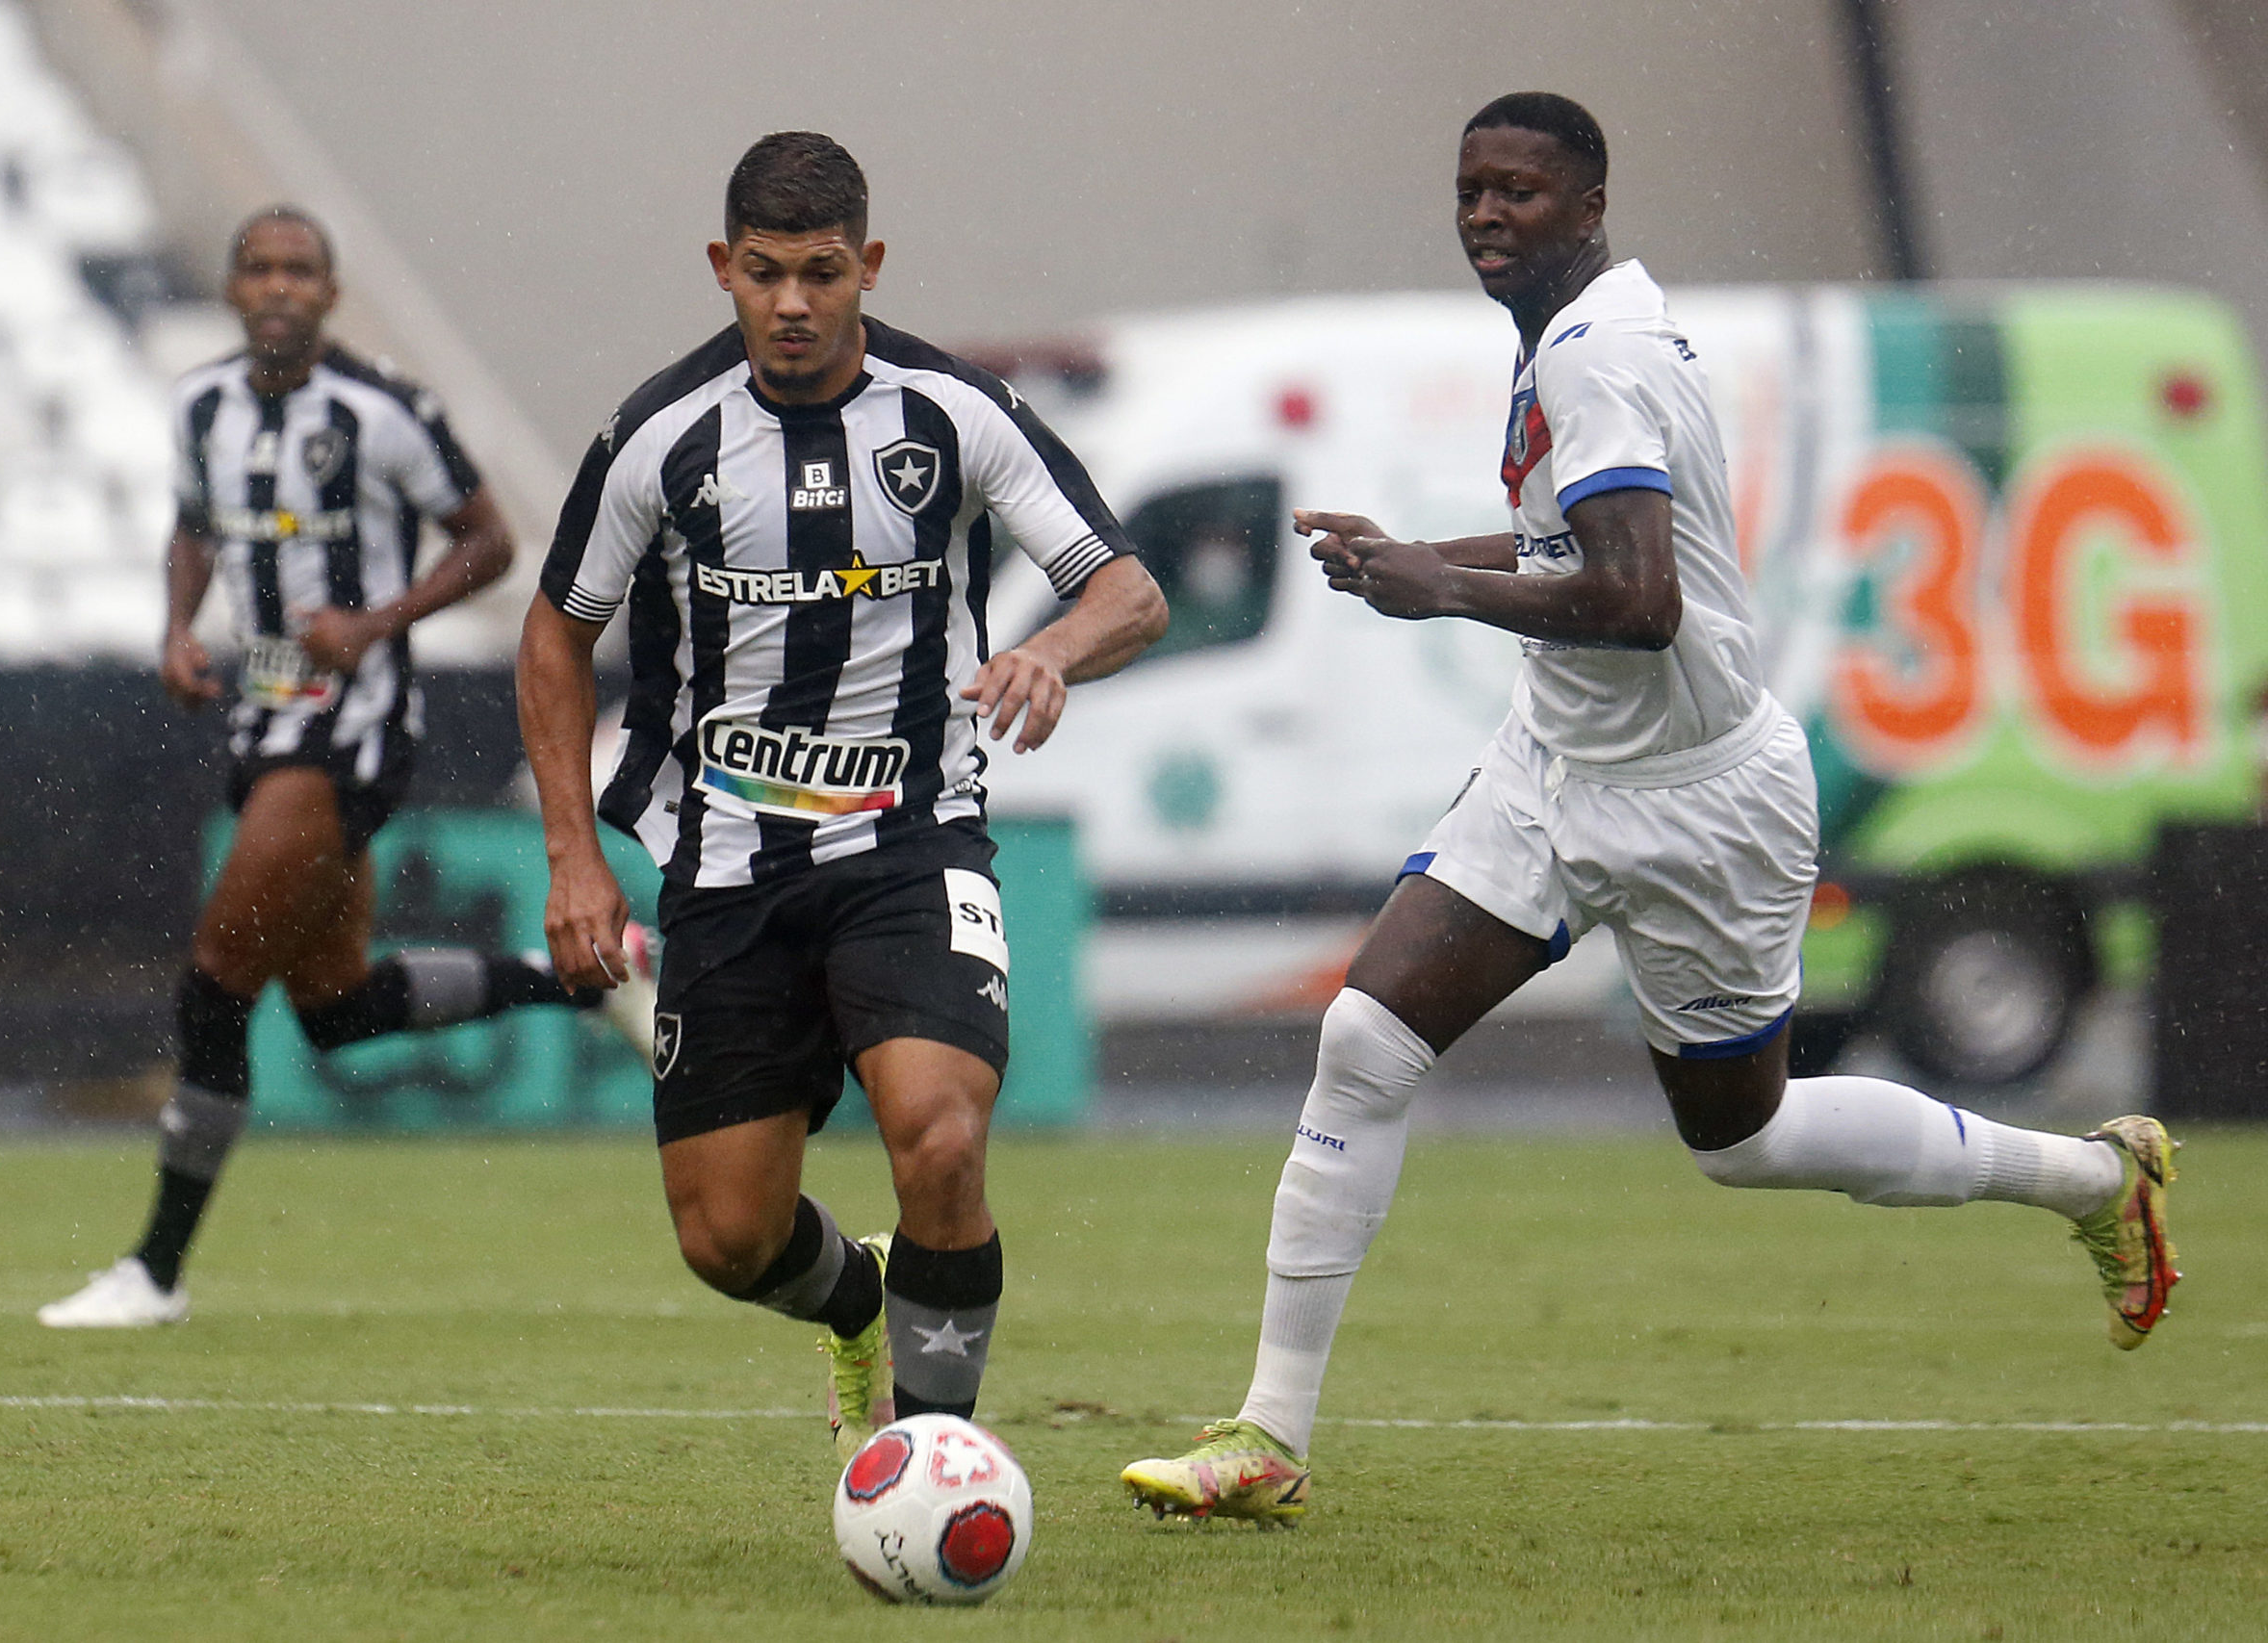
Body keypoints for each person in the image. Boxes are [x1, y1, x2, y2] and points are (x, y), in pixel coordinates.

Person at [1120, 92, 2180, 1524]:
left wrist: (1439, 589)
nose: (1488, 215)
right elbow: (1588, 540)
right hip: (1557, 770)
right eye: (1471, 189)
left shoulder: (1601, 356)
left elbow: (1637, 597)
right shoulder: (1589, 332)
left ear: (1591, 202)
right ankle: (1268, 1434)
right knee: (1365, 1036)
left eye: (1521, 192)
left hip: (1702, 802)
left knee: (1742, 1136)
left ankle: (2087, 1178)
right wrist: (1425, 550)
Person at [518, 132, 1167, 1457]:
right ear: (724, 268)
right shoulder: (658, 435)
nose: (795, 303)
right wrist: (572, 856)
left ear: (869, 263)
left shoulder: (955, 412)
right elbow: (550, 635)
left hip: (912, 847)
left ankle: (929, 1461)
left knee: (938, 1137)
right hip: (727, 866)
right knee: (729, 1237)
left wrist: (1047, 648)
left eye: (823, 272)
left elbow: (1129, 591)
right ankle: (859, 1298)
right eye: (765, 273)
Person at [40, 207, 633, 1328]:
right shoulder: (201, 405)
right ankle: (570, 978)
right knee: (336, 1007)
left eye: (299, 271)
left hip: (349, 726)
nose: (277, 287)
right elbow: (194, 527)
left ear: (329, 292)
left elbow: (491, 540)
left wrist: (377, 621)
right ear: (232, 287)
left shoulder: (384, 412)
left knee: (215, 984)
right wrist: (178, 626)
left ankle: (154, 1272)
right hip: (262, 711)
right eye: (259, 268)